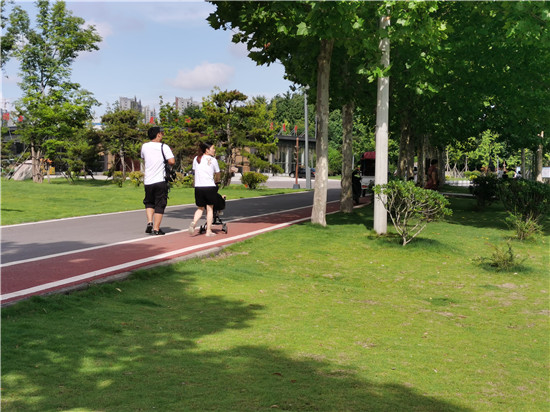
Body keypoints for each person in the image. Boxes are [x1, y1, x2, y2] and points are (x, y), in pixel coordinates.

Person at [141, 126, 175, 235]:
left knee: (149, 202)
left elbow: (144, 158)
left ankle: (150, 222)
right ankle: (156, 228)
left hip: (148, 181)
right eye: (161, 133)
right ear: (158, 134)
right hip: (160, 180)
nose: (162, 135)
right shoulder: (164, 147)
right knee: (160, 204)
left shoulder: (144, 146)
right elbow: (172, 161)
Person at [189, 142, 221, 237]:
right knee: (210, 209)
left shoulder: (196, 159)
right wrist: (217, 181)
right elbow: (218, 173)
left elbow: (195, 171)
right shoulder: (213, 160)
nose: (214, 150)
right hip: (209, 186)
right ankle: (208, 231)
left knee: (200, 208)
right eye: (213, 148)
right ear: (207, 150)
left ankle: (194, 222)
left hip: (198, 187)